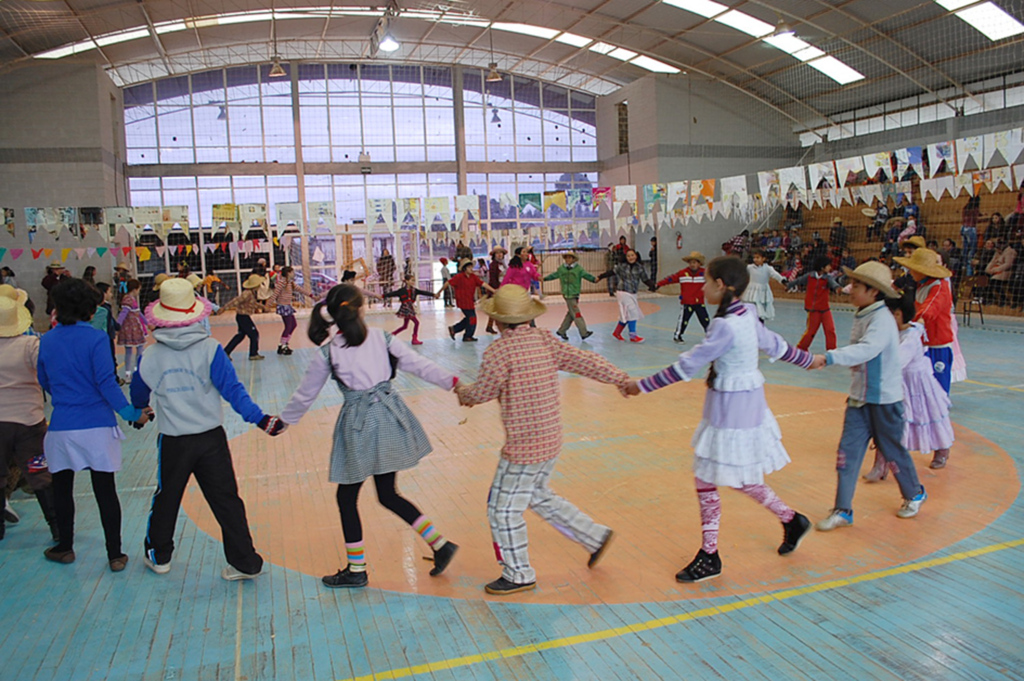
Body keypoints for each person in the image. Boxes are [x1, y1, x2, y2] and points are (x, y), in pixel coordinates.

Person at [623, 256, 814, 582]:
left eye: (707, 281)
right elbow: (776, 345)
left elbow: (688, 364)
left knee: (708, 477)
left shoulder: (726, 324)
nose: (703, 286)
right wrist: (809, 360)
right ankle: (790, 519)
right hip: (742, 405)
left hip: (732, 410)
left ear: (721, 286)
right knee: (734, 477)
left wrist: (641, 386)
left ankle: (711, 555)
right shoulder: (746, 313)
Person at [279, 284, 460, 588]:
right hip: (389, 416)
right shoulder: (381, 337)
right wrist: (452, 382)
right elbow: (418, 364)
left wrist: (282, 422)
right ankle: (439, 544)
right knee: (387, 493)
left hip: (358, 425)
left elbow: (305, 394)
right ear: (361, 309)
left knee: (347, 497)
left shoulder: (329, 352)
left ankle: (357, 569)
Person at [455, 285, 628, 594]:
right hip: (550, 439)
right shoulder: (545, 340)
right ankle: (594, 536)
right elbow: (585, 362)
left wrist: (463, 393)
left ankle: (518, 574)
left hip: (524, 447)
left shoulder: (499, 351)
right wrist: (620, 379)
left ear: (498, 321)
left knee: (502, 509)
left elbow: (482, 391)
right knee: (536, 495)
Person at [131, 278, 280, 580]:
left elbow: (137, 396)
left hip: (174, 441)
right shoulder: (211, 350)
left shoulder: (152, 355)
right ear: (195, 310)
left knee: (167, 497)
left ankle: (159, 555)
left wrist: (142, 411)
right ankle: (245, 562)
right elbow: (234, 392)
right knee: (226, 500)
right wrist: (261, 419)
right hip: (211, 439)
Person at [37, 278, 147, 570]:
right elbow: (107, 384)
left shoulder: (46, 340)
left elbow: (44, 381)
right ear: (91, 308)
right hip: (97, 427)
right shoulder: (97, 339)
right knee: (105, 491)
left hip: (62, 427)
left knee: (62, 489)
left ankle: (65, 547)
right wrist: (132, 414)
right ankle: (115, 554)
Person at [810, 261, 927, 531]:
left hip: (884, 400)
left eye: (857, 286)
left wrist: (828, 357)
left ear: (874, 291)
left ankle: (914, 493)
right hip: (858, 399)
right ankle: (843, 509)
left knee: (892, 450)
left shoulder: (882, 319)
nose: (850, 290)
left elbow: (867, 350)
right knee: (847, 453)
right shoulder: (863, 313)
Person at [863, 290, 954, 480]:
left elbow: (898, 360)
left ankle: (941, 449)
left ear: (897, 314)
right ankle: (881, 464)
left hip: (916, 384)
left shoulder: (910, 337)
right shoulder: (890, 332)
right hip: (896, 383)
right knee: (887, 423)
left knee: (930, 417)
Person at [0, 296, 58, 543]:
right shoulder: (32, 344)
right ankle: (57, 527)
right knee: (39, 472)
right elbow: (47, 374)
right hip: (29, 423)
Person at [893, 249, 955, 393]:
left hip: (937, 343)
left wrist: (916, 323)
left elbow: (930, 308)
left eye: (913, 269)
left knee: (939, 385)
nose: (910, 272)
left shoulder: (939, 287)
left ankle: (940, 412)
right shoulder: (923, 285)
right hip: (924, 341)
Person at [597, 249, 654, 343]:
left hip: (633, 293)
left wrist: (654, 286)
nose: (631, 257)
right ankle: (633, 336)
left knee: (626, 315)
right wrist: (600, 277)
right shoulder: (622, 266)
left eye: (632, 255)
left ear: (636, 256)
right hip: (623, 292)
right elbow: (611, 272)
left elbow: (645, 279)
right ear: (626, 257)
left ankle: (617, 332)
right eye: (628, 256)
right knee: (633, 313)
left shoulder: (640, 267)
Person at [654, 251, 710, 343]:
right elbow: (670, 279)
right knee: (683, 320)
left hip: (699, 302)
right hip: (687, 302)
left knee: (705, 319)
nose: (692, 264)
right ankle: (678, 335)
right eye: (691, 262)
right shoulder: (683, 273)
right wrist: (659, 284)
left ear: (699, 264)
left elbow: (714, 280)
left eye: (695, 262)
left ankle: (710, 336)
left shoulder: (705, 273)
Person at [790, 256, 841, 351]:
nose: (830, 267)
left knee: (830, 329)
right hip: (813, 310)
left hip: (825, 309)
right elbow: (798, 281)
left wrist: (838, 289)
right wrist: (788, 285)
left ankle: (832, 350)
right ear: (822, 267)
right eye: (828, 265)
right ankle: (801, 348)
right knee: (811, 331)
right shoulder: (809, 276)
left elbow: (834, 284)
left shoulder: (827, 278)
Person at [544, 252, 597, 341]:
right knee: (576, 313)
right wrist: (545, 279)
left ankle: (562, 330)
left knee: (571, 313)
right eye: (566, 258)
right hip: (567, 294)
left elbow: (586, 275)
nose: (568, 260)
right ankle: (583, 332)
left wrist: (594, 279)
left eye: (570, 258)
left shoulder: (578, 269)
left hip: (575, 293)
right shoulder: (561, 269)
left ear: (574, 259)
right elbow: (554, 275)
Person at [436, 259, 494, 342]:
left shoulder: (473, 277)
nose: (471, 269)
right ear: (464, 268)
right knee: (472, 318)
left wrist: (493, 290)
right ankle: (467, 335)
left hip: (470, 301)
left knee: (469, 318)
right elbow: (448, 283)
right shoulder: (459, 277)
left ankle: (455, 329)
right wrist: (439, 292)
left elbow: (483, 284)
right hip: (463, 302)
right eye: (469, 267)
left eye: (471, 267)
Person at [219, 274, 268, 361]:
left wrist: (263, 307)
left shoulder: (252, 293)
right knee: (254, 334)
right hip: (243, 317)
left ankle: (226, 352)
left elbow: (253, 304)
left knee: (240, 335)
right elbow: (236, 301)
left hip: (242, 316)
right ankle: (253, 354)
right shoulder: (247, 293)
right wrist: (224, 308)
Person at [268, 266, 313, 356]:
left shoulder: (290, 283)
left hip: (287, 306)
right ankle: (283, 345)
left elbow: (300, 289)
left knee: (293, 325)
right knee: (288, 326)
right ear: (288, 273)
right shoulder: (282, 282)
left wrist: (311, 295)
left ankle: (283, 344)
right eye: (292, 272)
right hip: (283, 306)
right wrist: (268, 304)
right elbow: (275, 293)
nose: (294, 273)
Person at [383, 274, 435, 345]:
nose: (413, 282)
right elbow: (392, 293)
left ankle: (391, 335)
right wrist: (383, 296)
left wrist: (433, 295)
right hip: (406, 309)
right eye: (412, 280)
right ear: (407, 281)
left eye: (414, 280)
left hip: (410, 308)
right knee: (416, 323)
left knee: (405, 326)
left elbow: (423, 292)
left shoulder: (414, 290)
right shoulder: (401, 291)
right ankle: (414, 339)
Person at [116, 279, 148, 382]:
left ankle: (130, 372)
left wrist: (147, 322)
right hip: (132, 328)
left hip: (133, 327)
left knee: (130, 350)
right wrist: (117, 325)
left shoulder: (130, 299)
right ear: (135, 289)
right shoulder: (129, 300)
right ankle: (134, 371)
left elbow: (139, 313)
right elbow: (123, 313)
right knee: (138, 349)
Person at [743, 249, 787, 323]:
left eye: (758, 257)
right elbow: (741, 273)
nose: (755, 259)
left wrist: (783, 280)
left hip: (763, 292)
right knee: (751, 308)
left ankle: (760, 324)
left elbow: (775, 275)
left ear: (764, 258)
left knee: (761, 310)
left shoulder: (768, 268)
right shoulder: (749, 268)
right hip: (751, 291)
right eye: (754, 258)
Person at [90, 283, 119, 382]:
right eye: (109, 292)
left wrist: (117, 327)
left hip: (108, 336)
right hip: (104, 338)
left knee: (111, 358)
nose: (111, 294)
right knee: (108, 359)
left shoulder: (106, 307)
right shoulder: (101, 311)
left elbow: (111, 320)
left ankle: (114, 377)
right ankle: (112, 378)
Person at [984, 238, 1017, 307]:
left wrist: (996, 270)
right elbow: (992, 262)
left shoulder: (1010, 251)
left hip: (1005, 271)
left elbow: (1008, 264)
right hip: (995, 270)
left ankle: (1003, 299)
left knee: (994, 282)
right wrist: (988, 269)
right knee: (983, 277)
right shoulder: (997, 252)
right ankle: (988, 298)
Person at [484, 247, 507, 334]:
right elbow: (493, 279)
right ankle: (494, 325)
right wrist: (495, 289)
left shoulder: (504, 264)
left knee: (497, 308)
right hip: (496, 289)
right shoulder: (493, 265)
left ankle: (490, 326)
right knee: (496, 308)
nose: (499, 254)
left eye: (501, 253)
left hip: (503, 288)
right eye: (497, 253)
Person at [961, 196, 981, 276]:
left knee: (965, 249)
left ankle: (964, 265)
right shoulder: (975, 209)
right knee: (972, 251)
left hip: (963, 228)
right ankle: (969, 270)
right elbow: (975, 219)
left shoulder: (965, 208)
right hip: (971, 229)